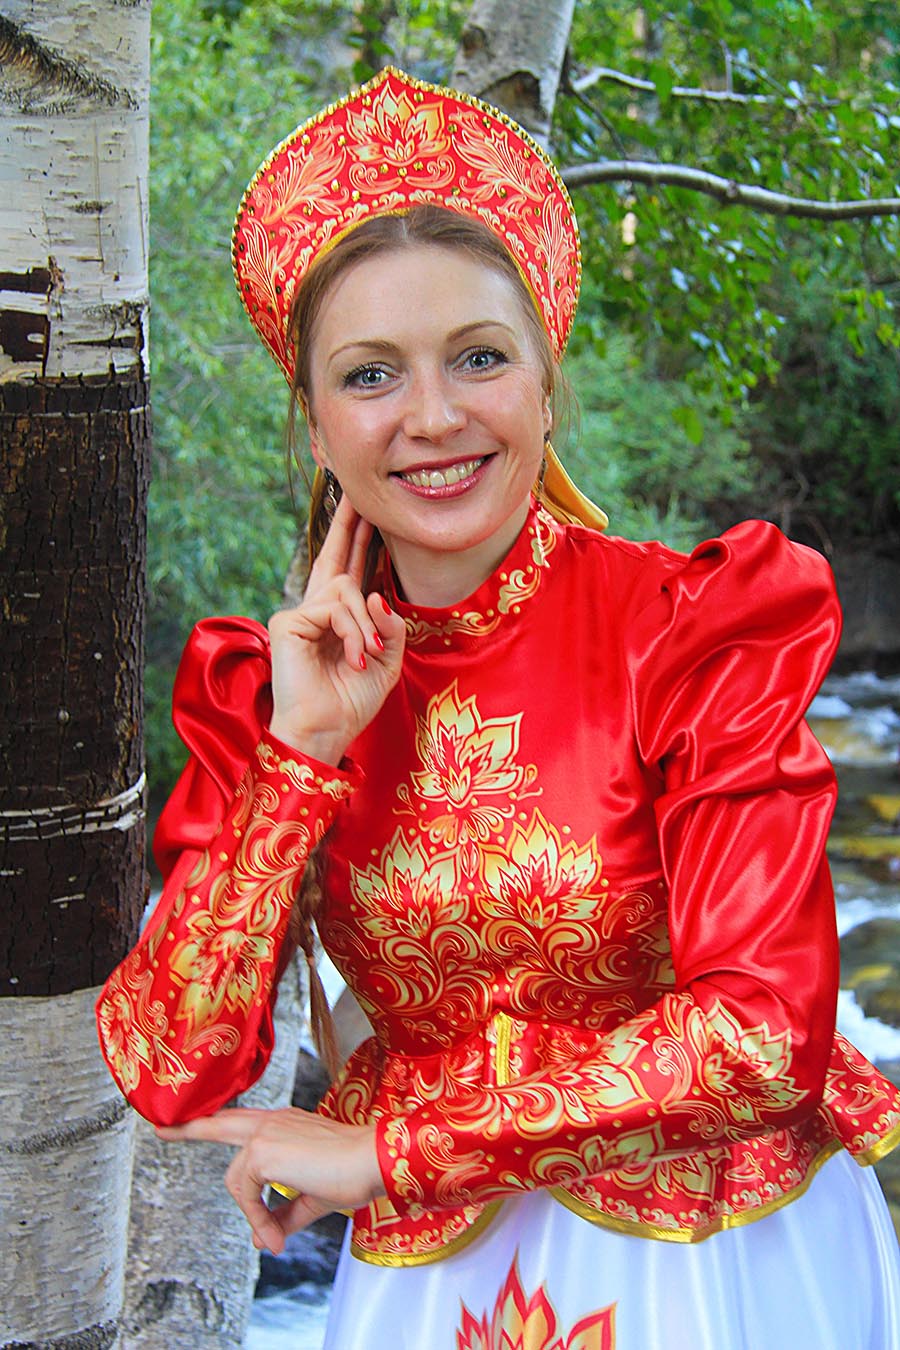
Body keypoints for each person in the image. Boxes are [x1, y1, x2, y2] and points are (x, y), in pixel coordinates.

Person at [97, 67, 900, 1349]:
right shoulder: (275, 688)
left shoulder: (690, 632)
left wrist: (395, 1150)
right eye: (370, 375)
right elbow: (168, 1061)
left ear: (543, 378)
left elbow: (763, 1037)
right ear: (312, 422)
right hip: (432, 1286)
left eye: (478, 357)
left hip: (713, 1267)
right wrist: (301, 757)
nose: (432, 417)